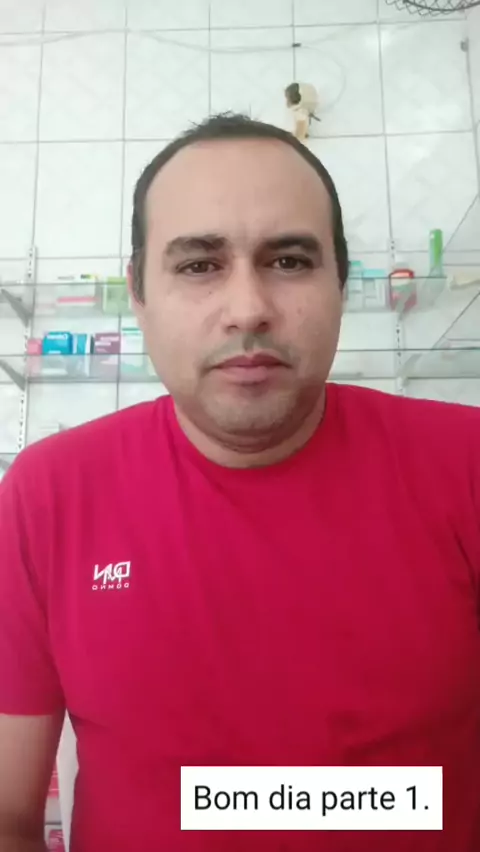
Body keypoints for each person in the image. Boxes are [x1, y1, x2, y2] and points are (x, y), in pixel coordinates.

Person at [0, 113, 479, 852]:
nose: (249, 308)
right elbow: (8, 813)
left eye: (289, 260)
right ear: (138, 294)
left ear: (340, 283)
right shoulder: (48, 496)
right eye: (199, 265)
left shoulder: (466, 464)